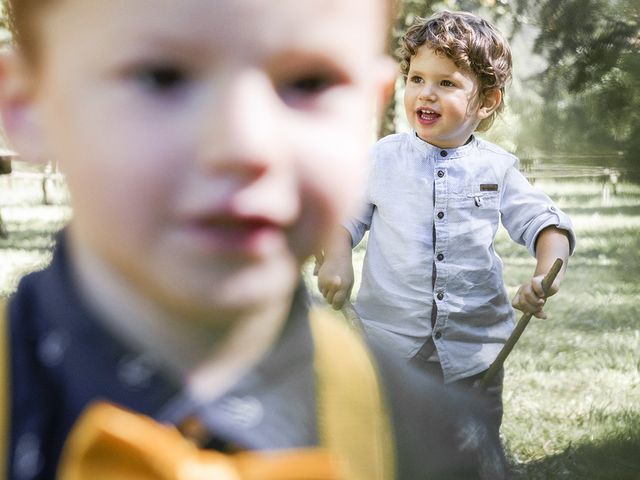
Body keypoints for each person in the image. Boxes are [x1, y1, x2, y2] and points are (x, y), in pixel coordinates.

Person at [0, 1, 509, 479]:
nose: (246, 144)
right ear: (29, 105)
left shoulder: (437, 441)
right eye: (161, 76)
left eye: (309, 82)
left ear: (365, 115)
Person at [317, 10, 576, 433]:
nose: (426, 94)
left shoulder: (497, 168)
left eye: (446, 83)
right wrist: (337, 259)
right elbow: (342, 219)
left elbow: (546, 225)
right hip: (389, 347)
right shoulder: (383, 158)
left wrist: (545, 276)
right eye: (417, 79)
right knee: (394, 446)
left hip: (474, 355)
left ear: (487, 100)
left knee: (471, 450)